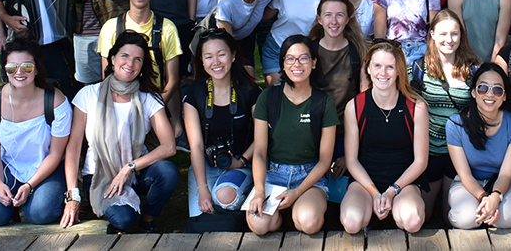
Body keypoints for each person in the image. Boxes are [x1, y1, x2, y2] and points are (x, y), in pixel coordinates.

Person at [61, 31, 179, 233]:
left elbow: (169, 147)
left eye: (137, 59)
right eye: (124, 56)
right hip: (98, 173)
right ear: (113, 59)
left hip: (136, 172)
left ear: (142, 66)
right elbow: (72, 148)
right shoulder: (88, 94)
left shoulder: (148, 100)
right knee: (123, 220)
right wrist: (73, 195)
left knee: (167, 172)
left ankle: (147, 219)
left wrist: (129, 168)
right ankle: (115, 206)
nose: (130, 64)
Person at [247, 36, 339, 235]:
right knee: (259, 225)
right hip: (274, 174)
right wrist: (260, 191)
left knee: (308, 222)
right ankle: (280, 219)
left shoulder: (323, 102)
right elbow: (260, 152)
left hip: (309, 177)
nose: (296, 64)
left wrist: (297, 192)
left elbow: (325, 160)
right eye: (290, 59)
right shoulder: (268, 98)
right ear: (282, 63)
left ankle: (297, 211)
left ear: (314, 62)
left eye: (304, 58)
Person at [0, 39, 71, 227]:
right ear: (5, 69)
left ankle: (30, 196)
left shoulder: (56, 102)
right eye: (12, 67)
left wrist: (29, 185)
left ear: (36, 69)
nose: (19, 72)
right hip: (8, 167)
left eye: (27, 67)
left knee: (39, 214)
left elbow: (56, 154)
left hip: (45, 167)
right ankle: (10, 204)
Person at [340, 41, 429, 233]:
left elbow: (420, 162)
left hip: (403, 184)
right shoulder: (355, 107)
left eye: (390, 67)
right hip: (364, 183)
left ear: (399, 71)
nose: (383, 73)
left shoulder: (416, 107)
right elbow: (352, 160)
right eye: (377, 66)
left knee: (412, 221)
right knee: (351, 222)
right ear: (368, 69)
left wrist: (391, 191)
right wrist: (374, 193)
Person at [98, 0, 184, 141]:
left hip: (155, 102)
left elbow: (173, 80)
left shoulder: (166, 28)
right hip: (121, 104)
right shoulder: (111, 28)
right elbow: (106, 77)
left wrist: (150, 112)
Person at [183, 29, 262, 216]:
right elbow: (196, 146)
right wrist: (202, 189)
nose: (216, 62)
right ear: (201, 60)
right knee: (200, 217)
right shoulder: (194, 94)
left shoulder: (251, 91)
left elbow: (262, 137)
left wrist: (241, 161)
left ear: (233, 55)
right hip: (207, 166)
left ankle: (245, 193)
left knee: (224, 198)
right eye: (208, 56)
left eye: (221, 54)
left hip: (243, 162)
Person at [411, 9, 480, 219]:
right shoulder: (419, 69)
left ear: (461, 35)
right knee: (425, 213)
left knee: (452, 214)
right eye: (442, 34)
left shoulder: (473, 70)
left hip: (459, 152)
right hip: (428, 151)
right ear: (432, 34)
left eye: (454, 34)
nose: (449, 40)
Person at [446, 63, 511, 229]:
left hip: (505, 183)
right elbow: (465, 175)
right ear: (474, 92)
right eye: (483, 88)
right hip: (468, 184)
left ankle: (490, 213)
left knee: (508, 218)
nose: (490, 94)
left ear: (504, 96)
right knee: (465, 218)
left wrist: (495, 197)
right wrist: (484, 197)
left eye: (497, 90)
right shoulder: (455, 124)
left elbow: (505, 174)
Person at [308, 0, 369, 137]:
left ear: (347, 20)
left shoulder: (359, 52)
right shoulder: (308, 52)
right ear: (320, 19)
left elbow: (365, 98)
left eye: (339, 15)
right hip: (314, 131)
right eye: (328, 15)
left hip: (347, 132)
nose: (333, 21)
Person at [216, 0, 278, 76]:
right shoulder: (227, 1)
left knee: (249, 83)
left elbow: (273, 9)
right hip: (223, 39)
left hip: (246, 37)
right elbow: (227, 40)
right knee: (228, 78)